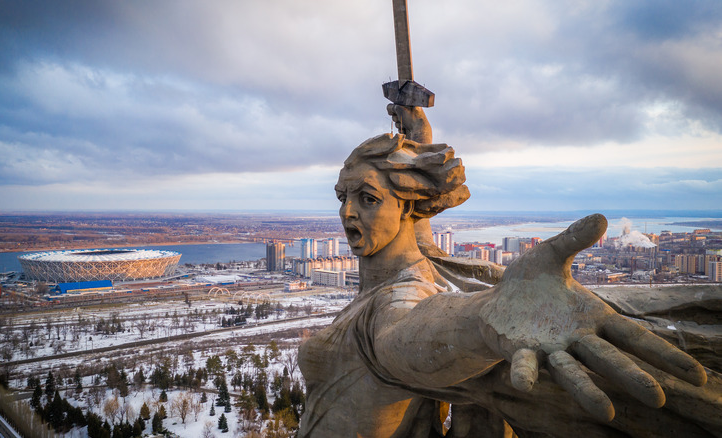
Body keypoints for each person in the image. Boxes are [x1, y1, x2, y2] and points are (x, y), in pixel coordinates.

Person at [296, 106, 720, 437]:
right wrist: (416, 142)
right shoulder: (409, 260)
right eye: (342, 197)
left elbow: (404, 339)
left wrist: (483, 318)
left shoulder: (397, 298)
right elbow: (420, 235)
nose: (347, 211)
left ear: (405, 205)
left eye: (367, 199)